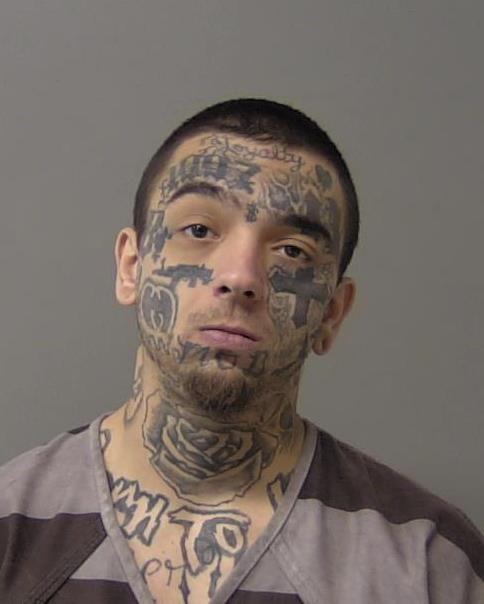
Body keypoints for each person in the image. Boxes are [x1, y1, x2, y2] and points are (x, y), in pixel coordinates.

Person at [0, 98, 482, 604]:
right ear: (131, 267)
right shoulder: (11, 525)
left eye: (292, 251)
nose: (240, 277)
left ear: (332, 313)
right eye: (199, 230)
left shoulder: (428, 564)